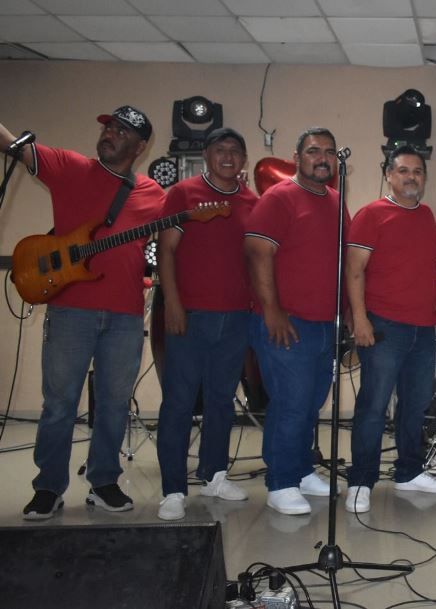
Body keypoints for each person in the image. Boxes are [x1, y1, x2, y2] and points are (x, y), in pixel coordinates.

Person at [2, 106, 166, 520]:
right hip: (70, 311)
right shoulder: (70, 167)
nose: (110, 133)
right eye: (109, 127)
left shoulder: (153, 195)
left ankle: (104, 482)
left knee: (114, 403)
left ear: (140, 148)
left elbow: (179, 240)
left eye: (122, 131)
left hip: (125, 316)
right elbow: (12, 145)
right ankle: (48, 487)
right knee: (59, 403)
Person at [155, 128, 257, 521]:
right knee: (179, 403)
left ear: (244, 159)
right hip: (190, 316)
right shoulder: (183, 194)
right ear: (206, 155)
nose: (228, 156)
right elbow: (166, 249)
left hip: (236, 318)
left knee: (221, 401)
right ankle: (173, 489)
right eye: (220, 149)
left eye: (235, 150)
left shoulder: (252, 201)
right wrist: (172, 303)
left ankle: (214, 475)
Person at [343, 145, 436, 513]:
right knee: (373, 406)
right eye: (403, 170)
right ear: (389, 175)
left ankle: (409, 472)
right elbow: (354, 270)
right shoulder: (371, 215)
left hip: (422, 329)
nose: (411, 177)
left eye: (417, 171)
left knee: (415, 406)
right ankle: (361, 480)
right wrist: (360, 319)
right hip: (384, 327)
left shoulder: (427, 215)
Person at [244, 127, 343, 516]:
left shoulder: (335, 201)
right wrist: (272, 311)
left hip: (323, 324)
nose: (323, 158)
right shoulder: (279, 197)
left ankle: (301, 471)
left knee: (311, 403)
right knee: (290, 403)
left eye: (329, 152)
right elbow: (257, 253)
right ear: (297, 158)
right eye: (314, 151)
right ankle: (281, 482)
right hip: (286, 322)